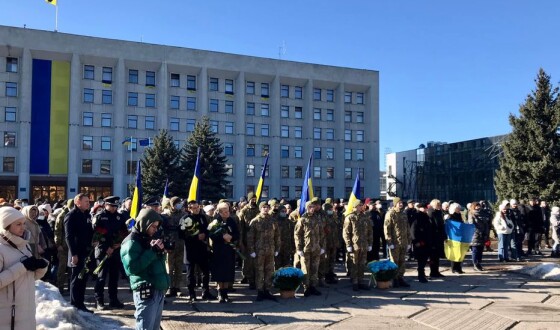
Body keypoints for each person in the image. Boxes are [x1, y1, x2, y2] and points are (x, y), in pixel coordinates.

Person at [0, 207, 49, 329]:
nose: (23, 227)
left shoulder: (24, 245)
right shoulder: (1, 249)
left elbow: (30, 277)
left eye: (23, 224)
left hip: (26, 311)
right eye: (18, 224)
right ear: (6, 225)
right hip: (7, 316)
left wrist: (40, 267)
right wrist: (22, 266)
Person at [121, 208, 169, 330]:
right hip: (146, 289)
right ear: (144, 223)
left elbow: (155, 261)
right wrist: (152, 252)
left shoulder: (146, 237)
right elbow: (131, 268)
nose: (155, 230)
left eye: (157, 227)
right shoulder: (131, 242)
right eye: (153, 226)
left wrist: (161, 251)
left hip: (157, 288)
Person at [92, 196, 127, 310]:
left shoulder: (119, 217)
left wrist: (119, 243)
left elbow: (124, 232)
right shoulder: (100, 217)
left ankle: (113, 299)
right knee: (101, 277)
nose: (114, 208)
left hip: (115, 251)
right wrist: (107, 247)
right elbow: (96, 235)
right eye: (112, 206)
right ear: (106, 205)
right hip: (103, 251)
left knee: (114, 277)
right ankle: (99, 300)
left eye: (115, 206)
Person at [64, 193, 94, 313]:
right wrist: (74, 254)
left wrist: (94, 240)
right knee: (76, 279)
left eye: (88, 201)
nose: (88, 203)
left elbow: (88, 232)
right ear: (78, 202)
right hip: (76, 252)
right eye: (86, 201)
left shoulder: (86, 214)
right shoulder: (71, 215)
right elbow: (69, 236)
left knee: (83, 278)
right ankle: (75, 304)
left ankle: (81, 303)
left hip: (86, 251)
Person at [182, 200, 214, 302]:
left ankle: (206, 292)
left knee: (205, 272)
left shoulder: (202, 217)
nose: (196, 209)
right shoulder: (185, 219)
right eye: (194, 208)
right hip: (190, 249)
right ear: (189, 208)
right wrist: (196, 236)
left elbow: (206, 229)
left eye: (197, 207)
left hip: (202, 249)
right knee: (190, 274)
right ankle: (192, 294)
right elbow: (182, 234)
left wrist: (205, 234)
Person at [247, 201, 280, 301]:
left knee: (269, 271)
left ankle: (267, 290)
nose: (266, 209)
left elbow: (277, 236)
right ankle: (260, 291)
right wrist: (251, 250)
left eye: (267, 207)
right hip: (259, 251)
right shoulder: (255, 221)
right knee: (259, 271)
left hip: (270, 250)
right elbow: (250, 237)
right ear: (260, 209)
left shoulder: (273, 221)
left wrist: (277, 248)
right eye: (263, 207)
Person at [209, 202, 239, 303]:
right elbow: (212, 235)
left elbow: (237, 233)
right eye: (225, 211)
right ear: (220, 212)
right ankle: (220, 292)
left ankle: (225, 293)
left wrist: (232, 237)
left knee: (227, 271)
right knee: (220, 271)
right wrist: (222, 237)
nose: (227, 213)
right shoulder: (215, 222)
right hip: (219, 250)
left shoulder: (231, 221)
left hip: (229, 250)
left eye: (228, 211)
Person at [294, 200, 325, 297]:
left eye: (313, 207)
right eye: (310, 207)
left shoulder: (317, 219)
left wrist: (322, 246)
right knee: (305, 269)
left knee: (315, 268)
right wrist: (299, 249)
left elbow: (322, 234)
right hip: (306, 249)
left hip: (316, 248)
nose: (312, 208)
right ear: (307, 208)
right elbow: (297, 235)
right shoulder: (302, 219)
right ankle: (306, 287)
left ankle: (313, 286)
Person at [343, 199, 373, 290]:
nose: (361, 207)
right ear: (355, 207)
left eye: (361, 205)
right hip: (354, 245)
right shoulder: (350, 217)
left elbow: (369, 231)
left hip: (364, 244)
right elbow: (346, 232)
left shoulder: (365, 217)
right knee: (354, 264)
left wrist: (370, 243)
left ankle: (360, 281)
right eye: (359, 205)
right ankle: (355, 282)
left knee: (362, 264)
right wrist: (348, 245)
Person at [161, 197, 186, 298]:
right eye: (177, 203)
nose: (179, 205)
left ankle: (177, 287)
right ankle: (169, 287)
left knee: (179, 266)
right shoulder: (166, 215)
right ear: (172, 205)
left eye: (180, 203)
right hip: (170, 243)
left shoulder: (183, 215)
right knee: (169, 267)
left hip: (180, 242)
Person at [384, 197, 411, 287]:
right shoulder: (390, 214)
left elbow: (407, 228)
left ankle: (400, 278)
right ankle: (394, 279)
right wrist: (389, 242)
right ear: (395, 204)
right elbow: (387, 229)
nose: (401, 204)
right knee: (394, 262)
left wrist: (409, 242)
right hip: (394, 243)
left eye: (401, 202)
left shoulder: (403, 214)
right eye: (399, 203)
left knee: (402, 261)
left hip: (403, 242)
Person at [238, 192, 258, 288]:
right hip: (247, 237)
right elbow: (241, 227)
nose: (254, 201)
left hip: (257, 238)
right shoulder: (244, 211)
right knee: (248, 260)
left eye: (255, 199)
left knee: (255, 260)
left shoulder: (258, 210)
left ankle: (254, 278)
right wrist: (241, 241)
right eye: (252, 199)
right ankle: (248, 277)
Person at [54, 199, 73, 293]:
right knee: (62, 267)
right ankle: (60, 287)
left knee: (71, 268)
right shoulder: (62, 215)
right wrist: (58, 244)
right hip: (63, 246)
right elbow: (57, 231)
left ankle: (71, 287)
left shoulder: (75, 214)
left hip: (71, 246)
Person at [410, 203, 433, 283]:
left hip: (426, 241)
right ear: (420, 208)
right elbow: (413, 229)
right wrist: (416, 241)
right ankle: (421, 275)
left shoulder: (426, 216)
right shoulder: (417, 216)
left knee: (424, 259)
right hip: (420, 242)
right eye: (424, 208)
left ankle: (422, 274)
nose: (426, 210)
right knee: (421, 260)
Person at [468, 202, 490, 271]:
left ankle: (479, 263)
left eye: (479, 206)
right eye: (476, 206)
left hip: (483, 234)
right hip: (475, 235)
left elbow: (486, 223)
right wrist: (478, 231)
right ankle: (475, 264)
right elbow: (471, 224)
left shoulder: (483, 214)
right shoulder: (471, 214)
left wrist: (486, 232)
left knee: (480, 250)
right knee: (475, 250)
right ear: (473, 207)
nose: (478, 207)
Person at [426, 199, 445, 277]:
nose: (439, 206)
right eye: (438, 205)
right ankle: (433, 272)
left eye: (440, 205)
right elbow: (432, 226)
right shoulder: (431, 213)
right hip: (433, 237)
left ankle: (436, 271)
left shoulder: (439, 213)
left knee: (437, 256)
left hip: (438, 237)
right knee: (433, 256)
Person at [447, 203, 465, 274]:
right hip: (453, 237)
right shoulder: (450, 216)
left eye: (459, 208)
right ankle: (454, 268)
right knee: (454, 253)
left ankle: (459, 268)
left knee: (460, 253)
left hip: (460, 236)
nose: (459, 209)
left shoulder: (459, 215)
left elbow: (462, 223)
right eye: (457, 208)